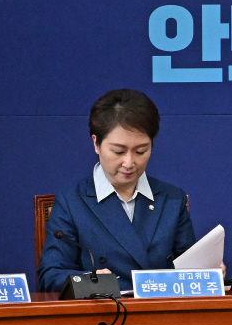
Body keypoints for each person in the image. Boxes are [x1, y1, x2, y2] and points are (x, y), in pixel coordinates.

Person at [38, 89, 197, 294]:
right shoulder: (72, 201)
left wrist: (207, 272)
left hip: (160, 310)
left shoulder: (172, 199)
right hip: (104, 310)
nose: (129, 163)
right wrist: (90, 280)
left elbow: (189, 268)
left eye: (140, 151)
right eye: (118, 151)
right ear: (96, 143)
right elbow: (50, 276)